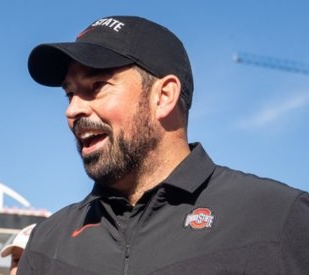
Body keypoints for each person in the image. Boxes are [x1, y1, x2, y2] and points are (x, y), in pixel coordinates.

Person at [18, 15, 309, 274]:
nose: (72, 111)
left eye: (97, 87)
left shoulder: (278, 219)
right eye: (69, 94)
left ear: (164, 96)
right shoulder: (46, 244)